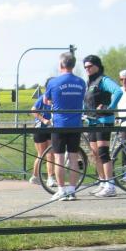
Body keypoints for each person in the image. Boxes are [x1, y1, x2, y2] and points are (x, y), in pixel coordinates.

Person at [43, 52, 87, 201]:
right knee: (74, 158)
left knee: (59, 159)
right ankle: (72, 190)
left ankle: (61, 190)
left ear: (61, 64)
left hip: (59, 124)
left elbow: (46, 100)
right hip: (76, 124)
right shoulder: (81, 82)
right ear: (73, 65)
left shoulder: (53, 82)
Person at [82, 55, 122, 198]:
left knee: (103, 153)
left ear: (97, 66)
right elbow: (87, 100)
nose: (87, 69)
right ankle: (102, 182)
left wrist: (110, 107)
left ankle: (110, 185)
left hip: (104, 119)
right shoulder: (89, 82)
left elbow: (118, 91)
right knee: (95, 154)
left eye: (90, 66)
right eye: (85, 67)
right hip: (92, 120)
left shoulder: (104, 80)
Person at [30, 78, 54, 187]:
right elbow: (33, 110)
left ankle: (50, 178)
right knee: (41, 154)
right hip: (40, 128)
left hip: (51, 128)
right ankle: (35, 176)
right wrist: (43, 120)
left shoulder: (56, 98)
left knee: (51, 153)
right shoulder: (42, 98)